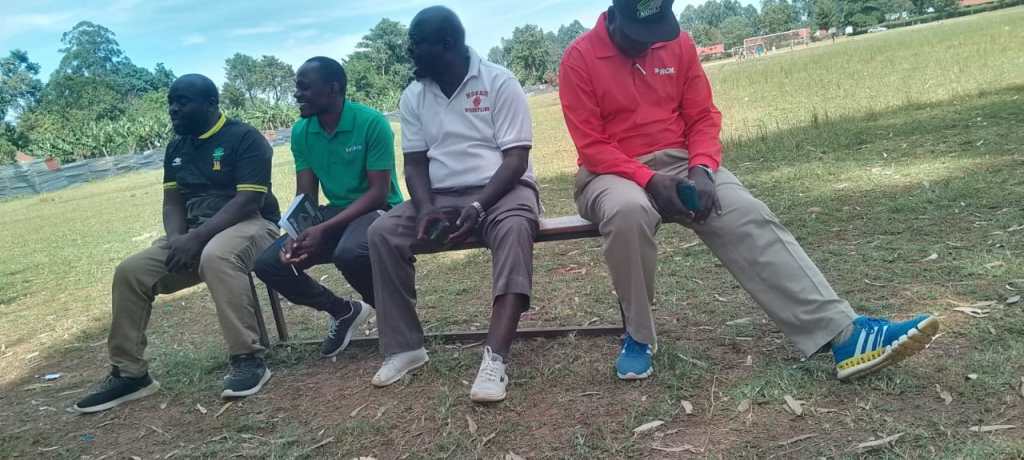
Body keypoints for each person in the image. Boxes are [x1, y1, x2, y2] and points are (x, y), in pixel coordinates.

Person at [557, 0, 939, 381]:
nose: (649, 44)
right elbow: (592, 145)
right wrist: (649, 180)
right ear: (615, 14)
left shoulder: (680, 44)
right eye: (639, 36)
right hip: (611, 171)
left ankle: (844, 333)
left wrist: (703, 167)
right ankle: (638, 338)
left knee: (745, 211)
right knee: (628, 212)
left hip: (681, 159)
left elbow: (702, 116)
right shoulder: (579, 58)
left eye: (656, 34)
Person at [74, 75, 281, 413]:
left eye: (182, 101)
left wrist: (197, 240)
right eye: (171, 101)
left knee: (217, 256)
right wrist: (176, 242)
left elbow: (248, 202)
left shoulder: (244, 138)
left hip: (253, 226)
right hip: (192, 235)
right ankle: (130, 374)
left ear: (211, 103)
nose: (173, 108)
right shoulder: (177, 147)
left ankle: (248, 358)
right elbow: (172, 202)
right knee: (130, 272)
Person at [366, 6, 538, 403]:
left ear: (445, 44)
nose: (408, 52)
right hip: (440, 196)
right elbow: (414, 164)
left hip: (502, 188)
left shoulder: (498, 81)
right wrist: (425, 208)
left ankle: (495, 359)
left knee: (514, 229)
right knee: (382, 232)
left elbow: (516, 159)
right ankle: (406, 347)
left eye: (415, 43)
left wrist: (478, 205)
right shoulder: (413, 96)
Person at [253, 57, 403, 358]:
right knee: (270, 263)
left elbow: (378, 193)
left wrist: (324, 229)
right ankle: (343, 311)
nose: (297, 94)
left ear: (333, 88)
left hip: (379, 208)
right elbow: (306, 196)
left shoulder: (371, 123)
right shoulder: (302, 131)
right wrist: (297, 234)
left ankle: (398, 318)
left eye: (304, 87)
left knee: (348, 252)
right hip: (334, 213)